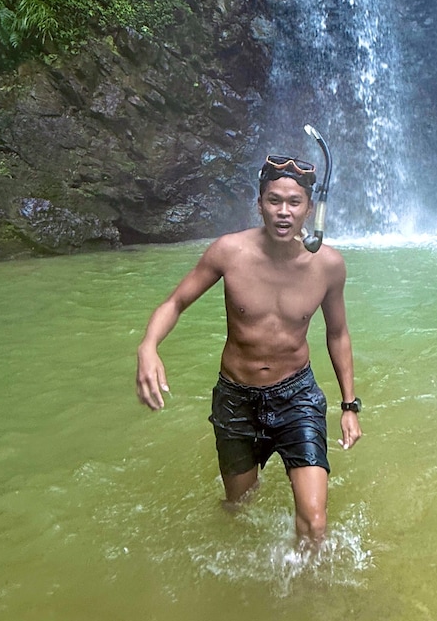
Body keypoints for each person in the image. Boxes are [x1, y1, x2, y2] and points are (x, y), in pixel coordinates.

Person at [135, 154, 362, 547]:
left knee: (314, 521)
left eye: (294, 202)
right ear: (259, 204)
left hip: (297, 397)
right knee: (239, 508)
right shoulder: (228, 252)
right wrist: (148, 346)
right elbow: (175, 303)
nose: (284, 212)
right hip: (236, 399)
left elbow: (337, 334)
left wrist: (348, 406)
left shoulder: (328, 266)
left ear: (310, 208)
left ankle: (309, 597)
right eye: (274, 201)